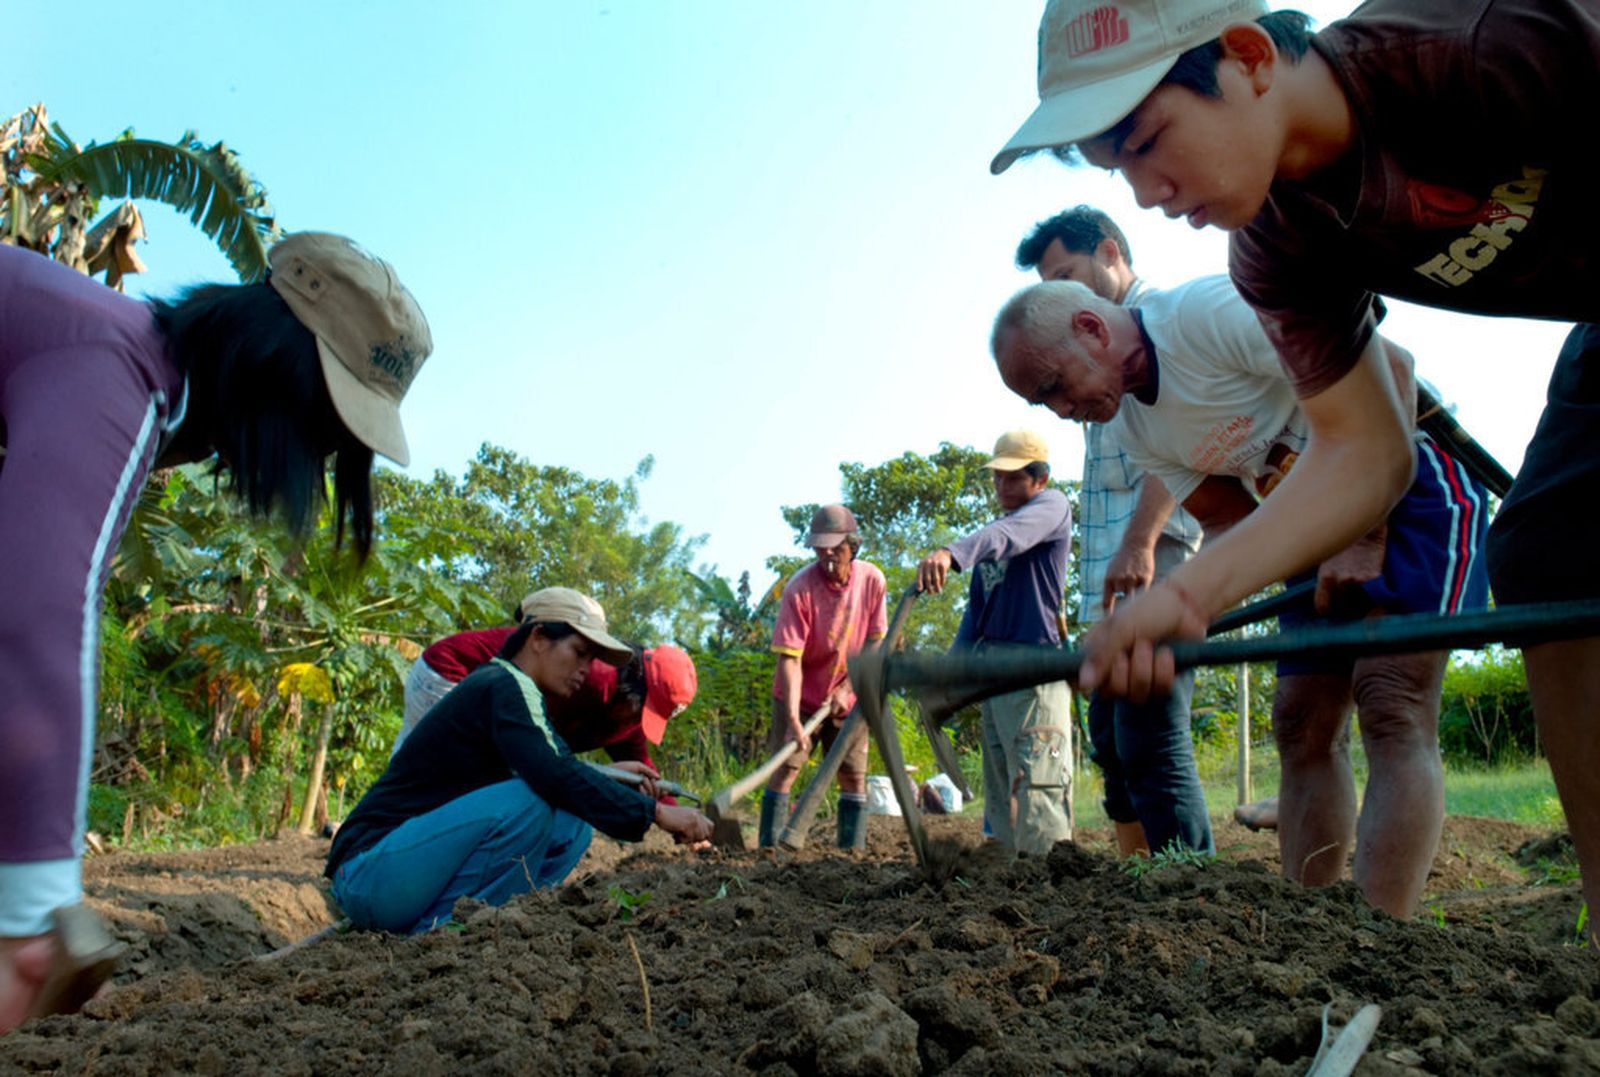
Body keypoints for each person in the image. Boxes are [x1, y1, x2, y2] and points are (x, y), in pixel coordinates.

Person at [988, 0, 1600, 930]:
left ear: (1247, 57)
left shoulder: (1483, 45)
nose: (1148, 193)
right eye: (1124, 170)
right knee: (1549, 551)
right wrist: (1185, 601)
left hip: (1426, 505)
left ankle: (1391, 925)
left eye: (1151, 142)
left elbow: (1396, 403)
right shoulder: (1279, 245)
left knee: (1401, 696)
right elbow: (1363, 449)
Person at [0, 232, 433, 1031]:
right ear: (279, 368)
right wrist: (33, 915)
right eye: (329, 429)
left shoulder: (133, 378)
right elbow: (38, 615)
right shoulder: (119, 373)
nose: (323, 462)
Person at [991, 276, 1490, 915]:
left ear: (1091, 328)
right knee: (1301, 722)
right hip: (1309, 526)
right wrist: (1186, 613)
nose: (1060, 410)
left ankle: (1381, 935)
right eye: (1043, 403)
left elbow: (1392, 367)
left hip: (1412, 482)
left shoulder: (1204, 316)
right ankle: (1307, 926)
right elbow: (1230, 522)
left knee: (1391, 701)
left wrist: (1364, 533)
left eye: (1055, 386)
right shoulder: (1137, 429)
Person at [325, 588, 713, 934]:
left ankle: (469, 926)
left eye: (592, 659)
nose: (586, 669)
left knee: (572, 820)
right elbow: (551, 773)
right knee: (530, 801)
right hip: (365, 874)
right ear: (539, 638)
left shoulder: (522, 695)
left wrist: (612, 775)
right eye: (580, 653)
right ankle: (444, 933)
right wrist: (657, 813)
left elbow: (552, 764)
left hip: (391, 881)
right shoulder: (502, 685)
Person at [1014, 208, 1210, 859]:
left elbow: (1186, 447)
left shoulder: (1156, 324)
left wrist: (1141, 542)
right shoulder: (1088, 358)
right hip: (1116, 575)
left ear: (1109, 251)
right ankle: (1139, 885)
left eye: (1067, 274)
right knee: (1112, 741)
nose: (1060, 295)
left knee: (1149, 733)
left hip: (1159, 559)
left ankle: (1187, 887)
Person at [915, 431, 1075, 856]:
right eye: (997, 478)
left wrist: (951, 552)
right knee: (1003, 787)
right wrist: (948, 677)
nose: (1002, 487)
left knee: (1038, 786)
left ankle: (1046, 883)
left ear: (1039, 478)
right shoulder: (994, 536)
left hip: (1034, 673)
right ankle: (1004, 888)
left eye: (1012, 477)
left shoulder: (1051, 507)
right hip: (995, 678)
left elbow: (1011, 536)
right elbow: (975, 620)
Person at [391, 600, 699, 797]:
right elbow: (540, 754)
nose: (636, 722)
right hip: (449, 676)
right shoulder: (588, 676)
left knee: (425, 777)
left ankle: (378, 829)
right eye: (642, 711)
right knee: (453, 780)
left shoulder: (625, 714)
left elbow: (640, 764)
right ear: (634, 688)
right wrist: (636, 801)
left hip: (489, 702)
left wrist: (673, 807)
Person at [760, 505, 887, 850]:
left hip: (851, 693)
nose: (827, 554)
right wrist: (792, 719)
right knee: (786, 768)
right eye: (820, 547)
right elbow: (790, 659)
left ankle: (852, 855)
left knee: (853, 775)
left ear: (853, 543)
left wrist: (847, 688)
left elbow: (877, 642)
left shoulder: (872, 581)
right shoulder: (799, 589)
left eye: (835, 546)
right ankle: (770, 853)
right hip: (800, 696)